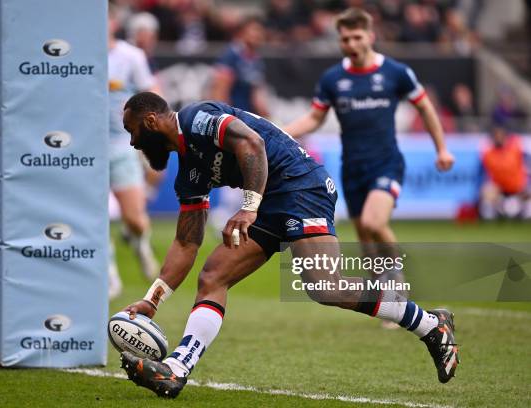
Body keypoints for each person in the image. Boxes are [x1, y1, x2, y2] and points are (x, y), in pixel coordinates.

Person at [118, 92, 459, 398]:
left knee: (327, 287)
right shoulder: (189, 172)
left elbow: (251, 143)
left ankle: (430, 325)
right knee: (213, 276)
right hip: (268, 201)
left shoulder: (196, 118)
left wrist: (249, 207)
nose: (133, 142)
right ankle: (177, 370)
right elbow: (186, 242)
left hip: (301, 186)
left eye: (132, 130)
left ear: (151, 121)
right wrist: (153, 300)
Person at [284, 8, 455, 316]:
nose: (350, 43)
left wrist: (441, 148)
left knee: (375, 223)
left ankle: (399, 288)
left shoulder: (395, 72)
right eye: (345, 38)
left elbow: (426, 108)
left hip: (386, 163)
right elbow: (314, 117)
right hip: (353, 168)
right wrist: (279, 133)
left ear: (370, 36)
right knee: (364, 234)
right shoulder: (333, 78)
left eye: (356, 36)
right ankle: (387, 304)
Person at [107, 8, 161, 297]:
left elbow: (151, 93)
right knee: (95, 220)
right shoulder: (73, 59)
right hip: (82, 151)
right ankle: (110, 277)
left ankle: (140, 244)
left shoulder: (131, 57)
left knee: (135, 220)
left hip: (120, 146)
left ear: (112, 22)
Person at [209, 15, 269, 232]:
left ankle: (228, 215)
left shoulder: (254, 59)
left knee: (245, 167)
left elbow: (256, 93)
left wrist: (266, 116)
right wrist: (223, 120)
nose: (258, 36)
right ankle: (223, 215)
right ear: (242, 33)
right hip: (234, 122)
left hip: (248, 122)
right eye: (254, 31)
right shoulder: (231, 56)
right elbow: (220, 88)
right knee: (236, 166)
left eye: (260, 32)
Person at [479, 125, 529, 219]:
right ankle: (490, 221)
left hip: (517, 188)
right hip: (500, 189)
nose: (498, 138)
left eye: (500, 136)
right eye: (496, 136)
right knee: (487, 192)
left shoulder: (515, 149)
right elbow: (484, 173)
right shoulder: (488, 153)